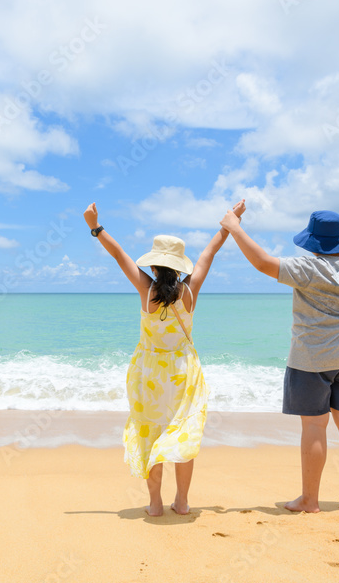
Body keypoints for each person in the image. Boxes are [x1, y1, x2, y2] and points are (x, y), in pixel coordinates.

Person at [219, 185, 339, 512]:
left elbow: (262, 263)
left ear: (313, 242)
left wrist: (234, 227)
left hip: (310, 362)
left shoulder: (307, 269)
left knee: (314, 426)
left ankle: (309, 500)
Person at [83, 200, 245, 516]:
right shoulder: (190, 291)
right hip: (183, 372)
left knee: (151, 432)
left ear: (154, 267)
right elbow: (209, 253)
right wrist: (230, 222)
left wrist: (95, 226)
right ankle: (182, 502)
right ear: (179, 267)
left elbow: (119, 255)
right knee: (183, 433)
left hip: (149, 374)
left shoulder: (147, 291)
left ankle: (155, 504)